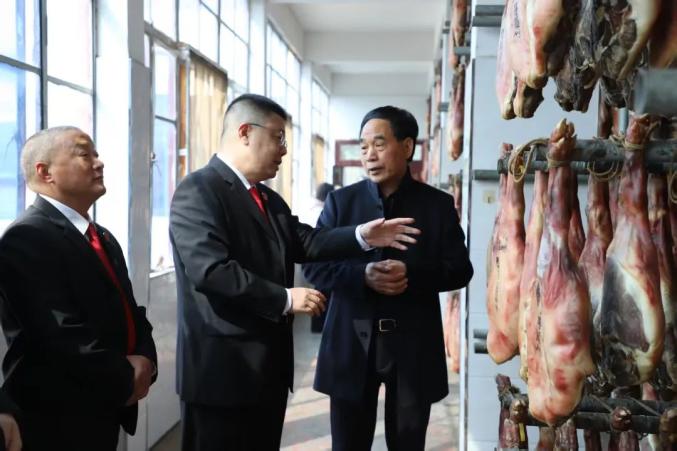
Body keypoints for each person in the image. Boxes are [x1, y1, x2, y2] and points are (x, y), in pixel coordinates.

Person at [169, 94, 420, 451]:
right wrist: (285, 298)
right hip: (221, 374)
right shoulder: (198, 190)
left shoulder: (267, 198)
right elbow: (211, 270)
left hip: (267, 373)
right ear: (245, 132)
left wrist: (362, 235)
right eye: (278, 137)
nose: (284, 150)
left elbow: (306, 241)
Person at [303, 106, 474, 450]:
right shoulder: (341, 203)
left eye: (379, 144)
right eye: (364, 147)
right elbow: (314, 267)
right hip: (351, 344)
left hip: (413, 347)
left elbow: (460, 269)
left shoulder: (437, 205)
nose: (369, 155)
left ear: (407, 147)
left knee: (408, 444)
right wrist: (362, 276)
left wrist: (412, 273)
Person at [0, 127, 158, 451]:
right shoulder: (26, 238)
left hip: (103, 406)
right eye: (85, 154)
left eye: (96, 154)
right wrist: (125, 378)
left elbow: (129, 310)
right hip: (58, 416)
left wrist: (146, 359)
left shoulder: (103, 237)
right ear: (45, 172)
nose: (99, 163)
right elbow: (61, 334)